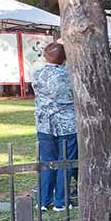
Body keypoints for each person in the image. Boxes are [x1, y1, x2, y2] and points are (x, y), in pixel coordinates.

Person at [33, 42, 78, 211]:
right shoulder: (70, 76)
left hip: (45, 124)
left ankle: (43, 201)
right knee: (65, 163)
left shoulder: (37, 74)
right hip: (67, 125)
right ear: (65, 58)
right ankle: (61, 201)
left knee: (46, 162)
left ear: (45, 55)